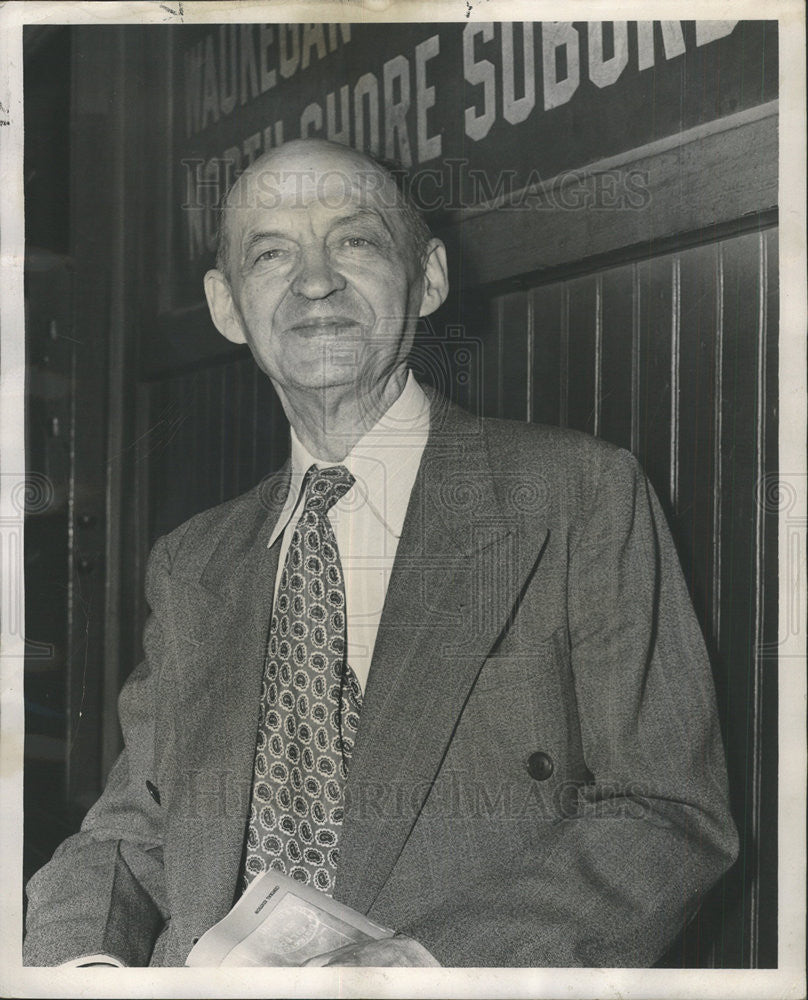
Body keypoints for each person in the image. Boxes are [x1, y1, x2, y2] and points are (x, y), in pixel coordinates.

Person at [23, 138, 738, 968]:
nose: (315, 280)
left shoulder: (576, 496)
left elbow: (667, 813)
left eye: (355, 240)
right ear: (226, 307)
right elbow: (133, 828)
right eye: (270, 253)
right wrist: (80, 966)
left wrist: (425, 965)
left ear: (429, 277)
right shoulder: (195, 561)